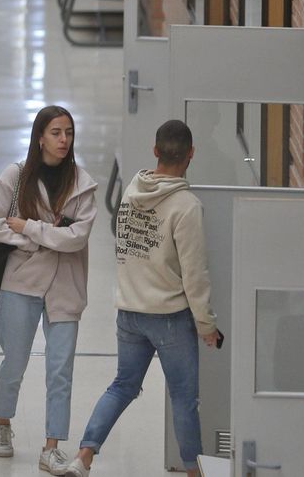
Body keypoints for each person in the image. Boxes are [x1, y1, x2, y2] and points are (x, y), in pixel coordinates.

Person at [63, 119, 221, 477]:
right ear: (192, 154)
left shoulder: (134, 188)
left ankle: (83, 456)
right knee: (184, 399)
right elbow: (195, 274)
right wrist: (206, 324)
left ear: (155, 151)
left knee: (122, 387)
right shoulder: (186, 206)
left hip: (129, 312)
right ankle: (194, 472)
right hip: (169, 318)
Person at [0, 106, 98, 474]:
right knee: (14, 361)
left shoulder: (83, 184)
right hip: (21, 281)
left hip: (66, 286)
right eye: (56, 133)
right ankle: (2, 421)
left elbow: (77, 238)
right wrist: (41, 240)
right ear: (40, 138)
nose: (64, 140)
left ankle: (52, 446)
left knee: (60, 370)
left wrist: (30, 229)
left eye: (69, 133)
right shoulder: (15, 177)